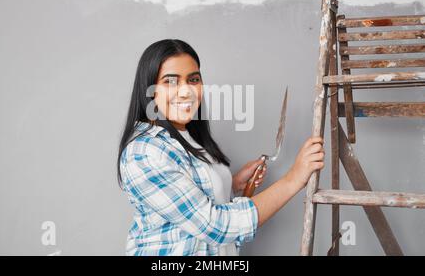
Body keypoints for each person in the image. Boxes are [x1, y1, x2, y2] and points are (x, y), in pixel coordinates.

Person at [117, 39, 325, 256]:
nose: (186, 91)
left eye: (193, 79)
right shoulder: (144, 152)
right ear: (149, 90)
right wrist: (293, 179)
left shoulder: (186, 136)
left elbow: (193, 199)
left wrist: (232, 183)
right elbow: (215, 226)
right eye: (170, 81)